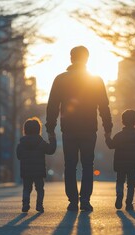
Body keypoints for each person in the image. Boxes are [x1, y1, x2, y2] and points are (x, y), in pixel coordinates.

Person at [46, 46, 113, 211]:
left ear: (71, 58)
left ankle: (72, 201)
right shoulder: (96, 80)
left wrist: (50, 128)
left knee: (69, 165)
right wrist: (108, 128)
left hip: (68, 129)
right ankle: (85, 200)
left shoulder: (60, 79)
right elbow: (104, 106)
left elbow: (52, 106)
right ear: (87, 59)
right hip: (89, 128)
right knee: (88, 164)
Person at [105, 109, 135, 211]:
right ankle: (129, 203)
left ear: (123, 121)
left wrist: (107, 137)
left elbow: (111, 146)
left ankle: (119, 195)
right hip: (133, 163)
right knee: (131, 183)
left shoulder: (119, 136)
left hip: (120, 163)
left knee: (120, 180)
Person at [16, 117, 56, 213]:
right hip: (39, 171)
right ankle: (39, 205)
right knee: (40, 189)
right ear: (38, 130)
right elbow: (51, 150)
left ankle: (25, 204)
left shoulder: (21, 143)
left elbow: (18, 156)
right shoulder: (41, 142)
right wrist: (52, 138)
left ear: (25, 130)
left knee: (26, 188)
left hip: (26, 171)